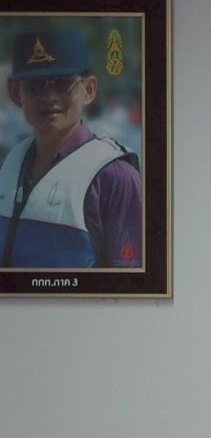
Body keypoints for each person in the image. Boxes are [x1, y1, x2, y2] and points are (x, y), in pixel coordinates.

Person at [0, 28, 143, 269]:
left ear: (89, 90)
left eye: (63, 84)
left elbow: (131, 281)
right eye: (35, 86)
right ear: (15, 93)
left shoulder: (115, 176)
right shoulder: (11, 162)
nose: (49, 97)